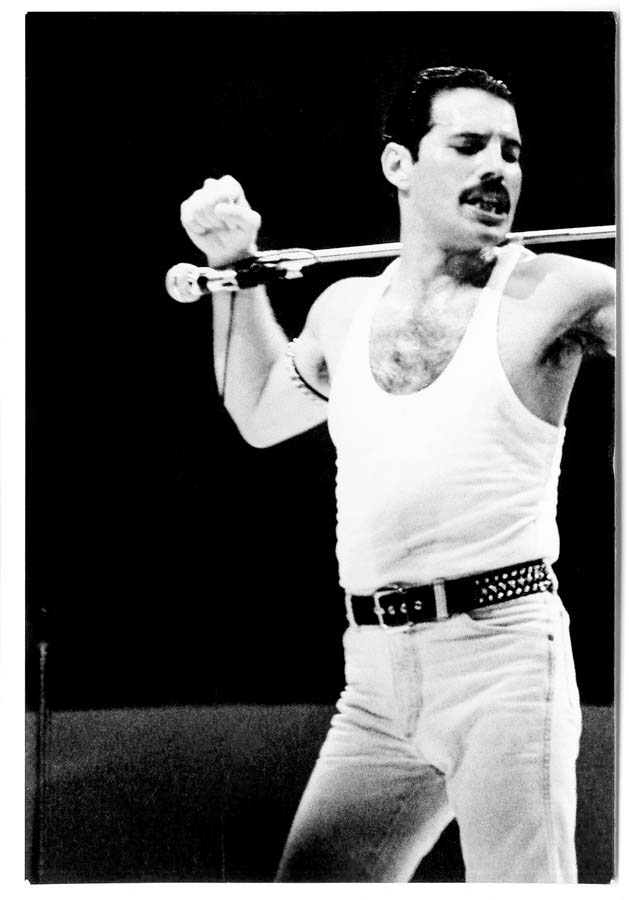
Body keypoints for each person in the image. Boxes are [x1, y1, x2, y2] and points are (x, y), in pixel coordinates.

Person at [179, 67, 615, 883]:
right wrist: (232, 267)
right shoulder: (342, 309)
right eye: (468, 145)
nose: (497, 168)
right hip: (374, 682)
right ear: (398, 165)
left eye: (511, 152)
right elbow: (259, 412)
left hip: (503, 666)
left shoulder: (560, 292)